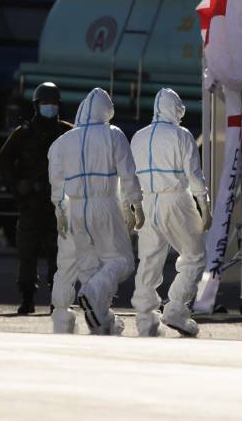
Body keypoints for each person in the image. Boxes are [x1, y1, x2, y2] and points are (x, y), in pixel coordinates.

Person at [47, 88, 144, 335]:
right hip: (106, 203)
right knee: (121, 261)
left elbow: (56, 181)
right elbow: (128, 174)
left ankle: (99, 319)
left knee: (88, 265)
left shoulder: (63, 141)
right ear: (106, 111)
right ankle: (91, 294)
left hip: (76, 208)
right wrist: (135, 205)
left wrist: (59, 210)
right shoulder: (113, 134)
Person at [130, 88, 212, 337]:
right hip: (176, 199)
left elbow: (130, 177)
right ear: (175, 109)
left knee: (149, 259)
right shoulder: (181, 135)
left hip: (147, 200)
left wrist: (133, 207)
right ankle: (176, 308)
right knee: (195, 255)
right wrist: (204, 205)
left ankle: (145, 317)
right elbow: (194, 175)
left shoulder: (138, 137)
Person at [0, 82, 72, 315]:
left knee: (59, 254)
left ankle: (58, 299)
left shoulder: (68, 132)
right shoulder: (23, 133)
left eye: (53, 103)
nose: (50, 107)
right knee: (27, 252)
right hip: (31, 203)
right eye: (45, 103)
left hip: (58, 204)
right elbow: (4, 160)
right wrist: (17, 184)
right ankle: (27, 297)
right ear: (37, 106)